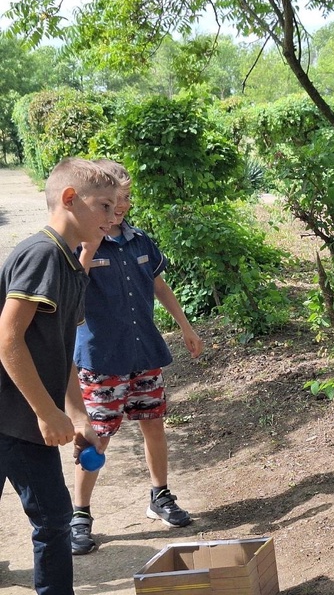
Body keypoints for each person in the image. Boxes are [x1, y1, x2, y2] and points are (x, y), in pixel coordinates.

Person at [69, 160, 204, 555]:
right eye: (113, 199)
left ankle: (160, 495)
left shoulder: (140, 240)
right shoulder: (80, 243)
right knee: (96, 437)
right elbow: (71, 291)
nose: (121, 205)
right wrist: (89, 249)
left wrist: (185, 326)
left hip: (144, 352)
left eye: (126, 197)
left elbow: (159, 285)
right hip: (100, 359)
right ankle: (80, 514)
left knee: (154, 425)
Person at [0, 157, 118, 595]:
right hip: (12, 415)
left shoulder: (70, 265)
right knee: (53, 519)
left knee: (54, 519)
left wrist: (78, 414)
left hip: (26, 421)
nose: (112, 217)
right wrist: (47, 412)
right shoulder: (42, 254)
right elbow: (8, 339)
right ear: (70, 199)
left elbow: (60, 349)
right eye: (104, 206)